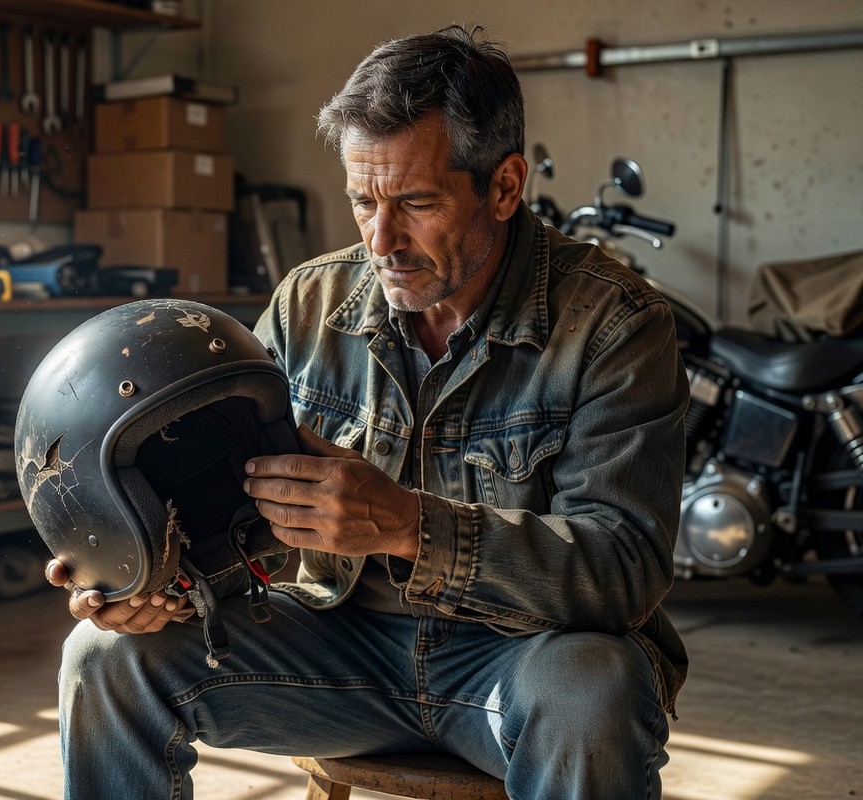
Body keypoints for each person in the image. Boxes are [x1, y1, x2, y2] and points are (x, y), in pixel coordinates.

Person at [45, 24, 688, 800]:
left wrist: (410, 525)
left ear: (505, 186)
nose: (382, 239)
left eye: (415, 202)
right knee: (102, 660)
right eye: (362, 201)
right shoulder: (307, 303)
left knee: (593, 688)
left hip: (521, 660)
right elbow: (235, 521)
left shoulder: (616, 326)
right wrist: (148, 578)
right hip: (336, 651)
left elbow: (623, 569)